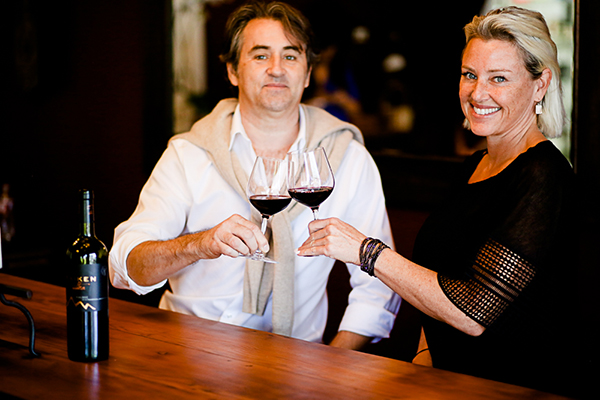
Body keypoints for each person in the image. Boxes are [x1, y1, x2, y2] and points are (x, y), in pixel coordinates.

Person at [297, 6, 578, 395]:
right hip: (448, 383)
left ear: (540, 84)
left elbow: (474, 312)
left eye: (499, 78)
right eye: (469, 75)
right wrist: (422, 362)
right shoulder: (474, 167)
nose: (478, 93)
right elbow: (440, 277)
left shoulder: (544, 176)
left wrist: (366, 252)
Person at [109, 1, 400, 350]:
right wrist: (201, 244)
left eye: (290, 56)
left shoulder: (346, 157)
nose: (277, 69)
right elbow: (125, 267)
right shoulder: (188, 154)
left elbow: (379, 283)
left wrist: (334, 363)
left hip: (299, 364)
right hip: (187, 354)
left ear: (308, 73)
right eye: (261, 55)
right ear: (233, 71)